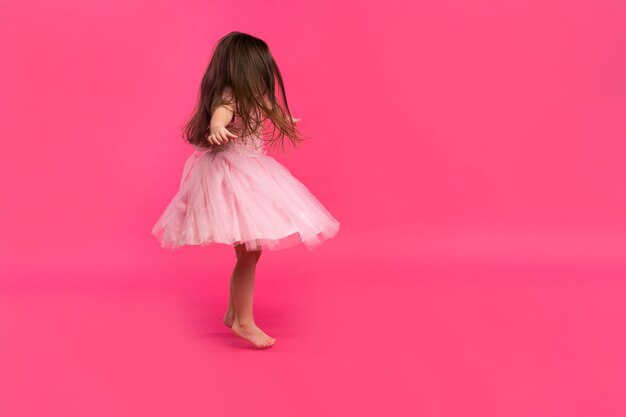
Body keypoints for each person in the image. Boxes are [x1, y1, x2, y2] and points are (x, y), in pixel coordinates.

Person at [150, 31, 340, 349]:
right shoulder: (230, 98)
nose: (263, 81)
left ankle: (232, 313)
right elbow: (219, 116)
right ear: (242, 71)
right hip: (233, 178)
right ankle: (244, 322)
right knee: (249, 254)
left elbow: (270, 110)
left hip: (251, 174)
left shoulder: (252, 97)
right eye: (258, 73)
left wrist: (285, 119)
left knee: (250, 253)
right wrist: (217, 128)